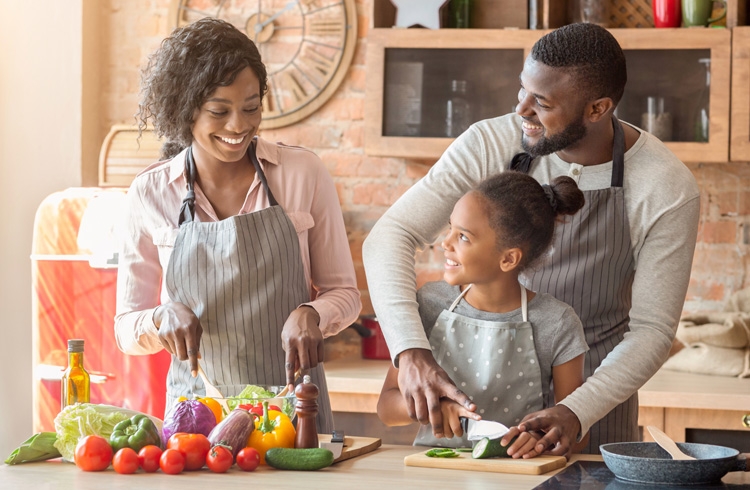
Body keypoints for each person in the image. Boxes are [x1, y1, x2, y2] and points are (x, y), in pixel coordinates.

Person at [363, 23, 700, 456]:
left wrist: (576, 409)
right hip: (491, 409)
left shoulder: (664, 185)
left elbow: (652, 330)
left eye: (541, 102)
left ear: (597, 108)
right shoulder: (490, 142)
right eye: (522, 90)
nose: (521, 110)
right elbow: (390, 235)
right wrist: (410, 351)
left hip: (593, 409)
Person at [114, 18, 361, 434]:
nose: (238, 126)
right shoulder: (151, 192)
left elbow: (346, 294)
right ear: (184, 109)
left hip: (292, 412)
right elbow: (125, 327)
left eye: (251, 108)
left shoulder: (302, 173)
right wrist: (159, 319)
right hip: (196, 418)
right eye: (219, 111)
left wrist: (312, 313)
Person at [377, 172, 590, 457]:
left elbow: (577, 433)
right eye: (450, 228)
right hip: (434, 473)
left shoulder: (557, 322)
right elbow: (387, 408)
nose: (445, 243)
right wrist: (432, 407)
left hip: (516, 476)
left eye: (463, 236)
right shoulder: (429, 304)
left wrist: (541, 439)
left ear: (508, 259)